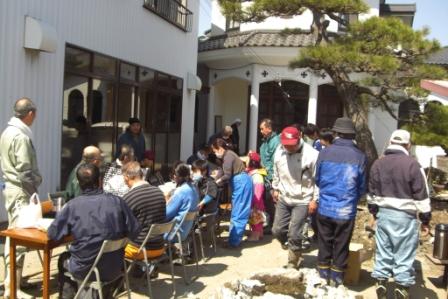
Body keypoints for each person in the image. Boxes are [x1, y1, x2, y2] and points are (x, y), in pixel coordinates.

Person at [48, 163, 140, 298]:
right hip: (116, 267)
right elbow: (135, 230)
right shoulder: (117, 202)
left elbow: (53, 234)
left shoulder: (72, 206)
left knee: (63, 259)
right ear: (100, 181)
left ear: (79, 184)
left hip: (85, 269)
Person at [368, 129, 431, 299]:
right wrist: (425, 220)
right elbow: (422, 196)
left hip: (383, 215)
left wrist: (373, 213)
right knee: (404, 254)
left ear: (390, 143)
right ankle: (402, 287)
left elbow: (371, 193)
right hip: (405, 216)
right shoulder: (413, 165)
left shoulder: (377, 164)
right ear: (408, 145)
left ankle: (381, 281)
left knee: (383, 250)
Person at [315, 117, 367, 286]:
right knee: (341, 245)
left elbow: (318, 179)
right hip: (345, 210)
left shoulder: (324, 152)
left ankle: (322, 276)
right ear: (352, 135)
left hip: (324, 208)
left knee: (324, 242)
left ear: (335, 133)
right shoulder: (359, 156)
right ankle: (336, 280)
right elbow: (361, 186)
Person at [0, 97, 41, 298]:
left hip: (11, 188)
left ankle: (15, 280)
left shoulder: (8, 131)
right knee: (19, 237)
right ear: (31, 113)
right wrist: (33, 194)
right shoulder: (21, 136)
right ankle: (12, 288)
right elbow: (25, 171)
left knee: (15, 233)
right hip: (21, 191)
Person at [271, 126, 319, 269]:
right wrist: (275, 187)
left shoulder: (312, 155)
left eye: (291, 145)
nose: (288, 148)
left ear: (299, 139)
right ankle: (293, 245)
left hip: (303, 199)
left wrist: (314, 199)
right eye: (285, 144)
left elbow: (318, 180)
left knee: (295, 232)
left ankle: (293, 261)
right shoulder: (279, 151)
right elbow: (276, 171)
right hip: (284, 196)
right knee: (277, 230)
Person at [122, 162, 167, 262]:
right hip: (160, 247)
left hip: (138, 250)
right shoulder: (159, 192)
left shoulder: (129, 197)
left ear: (126, 177)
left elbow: (121, 224)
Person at [212, 138, 253, 247]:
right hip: (239, 182)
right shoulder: (226, 156)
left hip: (241, 182)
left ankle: (234, 242)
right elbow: (221, 170)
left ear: (220, 149)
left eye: (215, 150)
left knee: (238, 212)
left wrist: (217, 182)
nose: (214, 153)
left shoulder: (228, 156)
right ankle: (233, 239)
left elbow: (227, 175)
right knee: (236, 211)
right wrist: (215, 180)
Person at [165, 163, 199, 242]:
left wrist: (167, 200)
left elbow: (166, 214)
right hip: (186, 229)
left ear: (179, 176)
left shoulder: (181, 191)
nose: (173, 177)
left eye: (175, 174)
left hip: (173, 232)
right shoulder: (194, 188)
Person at [259, 118, 280, 232]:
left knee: (273, 202)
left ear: (269, 128)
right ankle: (270, 224)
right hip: (265, 176)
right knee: (267, 202)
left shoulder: (275, 142)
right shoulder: (265, 141)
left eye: (262, 129)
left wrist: (272, 178)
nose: (261, 131)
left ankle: (275, 226)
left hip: (271, 177)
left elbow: (275, 162)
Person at [246, 152, 267, 242]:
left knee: (256, 218)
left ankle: (255, 236)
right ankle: (260, 234)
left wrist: (255, 204)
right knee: (258, 219)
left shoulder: (257, 176)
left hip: (256, 202)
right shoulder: (253, 173)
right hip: (256, 201)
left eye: (248, 159)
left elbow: (258, 192)